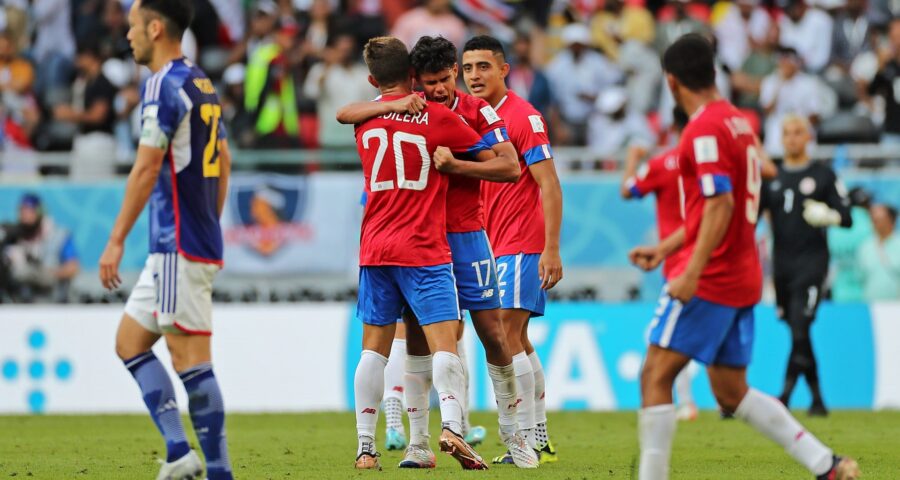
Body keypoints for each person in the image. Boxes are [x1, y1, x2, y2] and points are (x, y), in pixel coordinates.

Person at [629, 34, 858, 480]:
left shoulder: (702, 129)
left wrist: (690, 270)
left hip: (712, 276)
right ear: (714, 74)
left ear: (671, 82)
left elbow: (721, 205)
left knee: (655, 375)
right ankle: (826, 464)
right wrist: (666, 247)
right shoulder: (738, 122)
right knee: (730, 391)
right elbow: (718, 208)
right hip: (743, 273)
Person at [336, 35, 537, 468]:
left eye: (447, 79)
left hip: (464, 235)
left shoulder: (474, 111)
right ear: (414, 81)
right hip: (421, 241)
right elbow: (351, 111)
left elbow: (508, 165)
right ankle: (419, 444)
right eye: (431, 83)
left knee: (493, 333)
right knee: (418, 342)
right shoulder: (407, 107)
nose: (441, 89)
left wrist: (457, 166)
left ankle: (514, 435)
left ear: (454, 74)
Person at [99, 0, 234, 478]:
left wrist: (116, 240)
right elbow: (224, 159)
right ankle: (180, 454)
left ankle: (219, 471)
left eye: (133, 26)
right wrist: (209, 222)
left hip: (177, 243)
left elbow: (146, 166)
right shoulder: (200, 81)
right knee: (130, 342)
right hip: (183, 242)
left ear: (155, 28)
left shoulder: (160, 86)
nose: (128, 36)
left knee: (189, 358)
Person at [461, 35, 564, 465]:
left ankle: (524, 440)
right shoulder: (472, 118)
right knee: (516, 338)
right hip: (490, 243)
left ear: (504, 69)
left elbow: (549, 184)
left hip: (521, 241)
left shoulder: (525, 117)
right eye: (467, 68)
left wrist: (551, 249)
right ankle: (537, 435)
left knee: (503, 334)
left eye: (483, 67)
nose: (474, 76)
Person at [759, 114, 852, 416]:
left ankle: (784, 395)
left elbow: (847, 216)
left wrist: (830, 215)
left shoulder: (824, 175)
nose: (792, 138)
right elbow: (752, 217)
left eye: (798, 132)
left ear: (808, 137)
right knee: (798, 330)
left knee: (801, 326)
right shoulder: (772, 177)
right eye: (787, 133)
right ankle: (817, 399)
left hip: (812, 264)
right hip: (782, 266)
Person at [621, 107, 699, 422]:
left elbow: (628, 190)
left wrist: (632, 158)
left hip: (680, 262)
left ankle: (687, 402)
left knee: (663, 340)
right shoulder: (713, 162)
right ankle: (722, 399)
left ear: (673, 129)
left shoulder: (660, 164)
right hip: (713, 258)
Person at [54, 42, 119, 179]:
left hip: (99, 143)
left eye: (80, 57)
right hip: (83, 140)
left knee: (99, 189)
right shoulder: (84, 82)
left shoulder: (103, 83)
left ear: (90, 56)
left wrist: (70, 114)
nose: (77, 62)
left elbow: (98, 115)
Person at [2, 193, 79, 303]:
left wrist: (49, 273)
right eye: (22, 212)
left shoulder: (58, 236)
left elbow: (73, 267)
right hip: (20, 300)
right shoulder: (13, 237)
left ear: (39, 212)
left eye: (30, 211)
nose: (25, 216)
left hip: (52, 299)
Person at [858, 204, 900, 300]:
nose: (876, 222)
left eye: (880, 219)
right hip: (871, 305)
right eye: (873, 219)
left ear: (891, 221)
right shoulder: (865, 247)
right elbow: (860, 277)